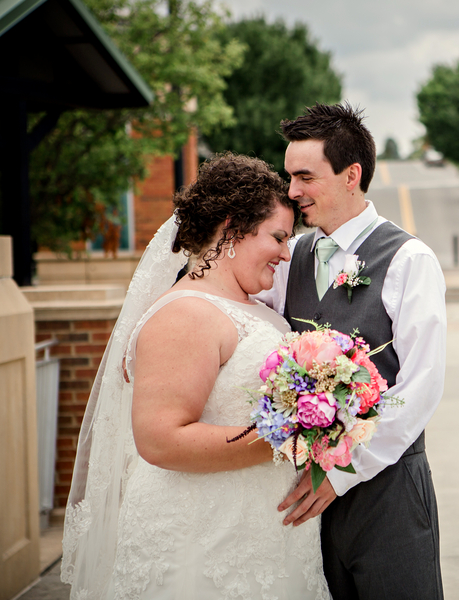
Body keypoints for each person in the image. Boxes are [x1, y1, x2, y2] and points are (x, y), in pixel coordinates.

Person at [61, 154, 331, 599]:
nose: (287, 253)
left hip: (260, 537)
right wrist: (285, 438)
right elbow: (161, 440)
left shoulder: (255, 310)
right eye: (279, 237)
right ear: (231, 229)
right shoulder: (186, 314)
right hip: (201, 542)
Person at [254, 103, 446, 599]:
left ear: (351, 176)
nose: (291, 191)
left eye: (304, 177)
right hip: (302, 495)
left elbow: (421, 386)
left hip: (389, 491)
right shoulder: (289, 255)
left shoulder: (409, 260)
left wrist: (341, 474)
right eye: (289, 176)